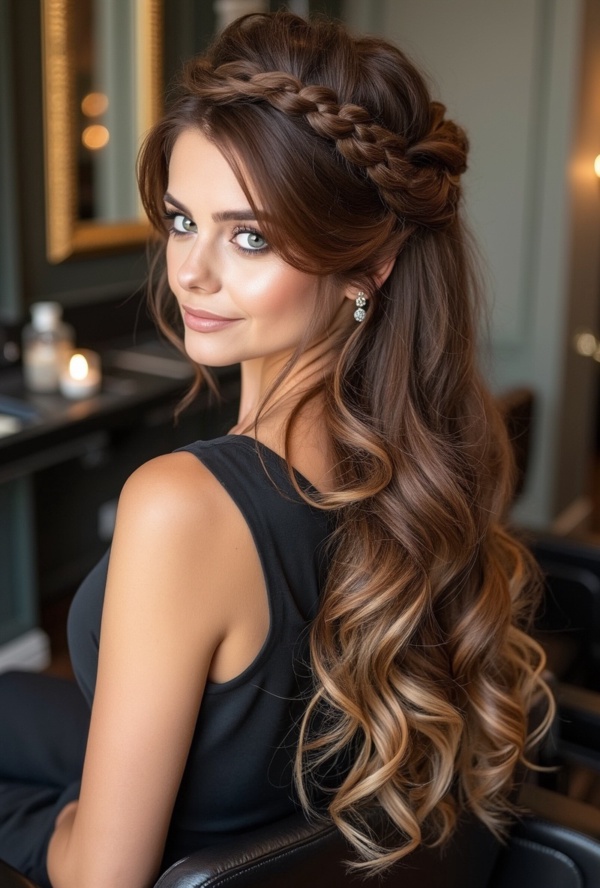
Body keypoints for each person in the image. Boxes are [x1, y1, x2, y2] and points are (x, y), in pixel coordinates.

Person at [0, 11, 553, 888]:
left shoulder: (180, 504)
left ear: (368, 265)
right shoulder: (439, 450)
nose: (191, 272)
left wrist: (69, 815)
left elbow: (98, 877)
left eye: (249, 235)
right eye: (184, 221)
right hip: (283, 804)